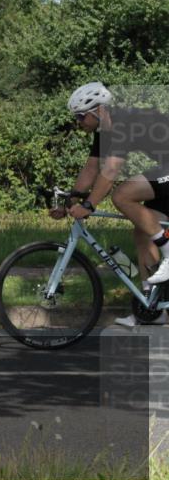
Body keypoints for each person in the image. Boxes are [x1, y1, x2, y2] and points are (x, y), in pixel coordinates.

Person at [51, 82, 169, 326]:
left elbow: (112, 169)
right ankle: (151, 309)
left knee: (122, 196)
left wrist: (91, 205)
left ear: (98, 111)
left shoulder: (123, 123)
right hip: (164, 169)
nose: (79, 122)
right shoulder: (104, 131)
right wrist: (71, 201)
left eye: (81, 116)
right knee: (142, 232)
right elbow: (91, 168)